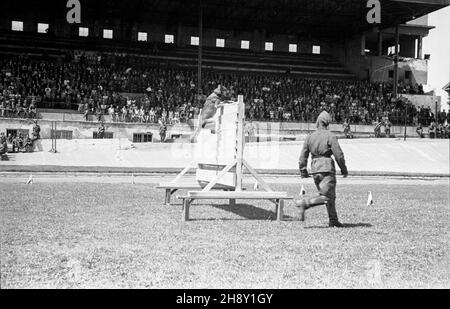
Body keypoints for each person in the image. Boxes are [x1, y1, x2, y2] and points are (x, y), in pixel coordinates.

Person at [294, 111, 349, 228]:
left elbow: (303, 156)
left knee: (329, 195)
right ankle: (304, 203)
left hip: (315, 169)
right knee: (326, 196)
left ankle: (333, 220)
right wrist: (344, 169)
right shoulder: (330, 136)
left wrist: (303, 170)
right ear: (327, 123)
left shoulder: (310, 136)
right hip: (326, 168)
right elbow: (339, 155)